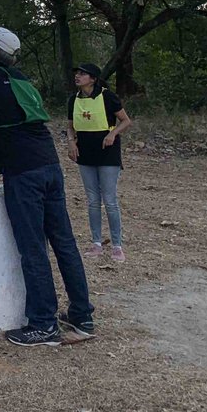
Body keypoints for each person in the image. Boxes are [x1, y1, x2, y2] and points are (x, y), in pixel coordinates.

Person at [0, 28, 95, 346]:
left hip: (23, 172)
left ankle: (43, 324)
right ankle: (82, 317)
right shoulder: (21, 81)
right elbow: (12, 122)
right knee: (64, 242)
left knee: (32, 248)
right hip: (49, 165)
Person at [66, 63, 132, 263]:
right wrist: (71, 143)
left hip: (107, 153)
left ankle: (117, 246)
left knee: (109, 200)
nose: (78, 76)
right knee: (93, 200)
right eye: (77, 73)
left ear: (93, 78)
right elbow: (70, 126)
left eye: (83, 74)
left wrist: (112, 134)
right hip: (85, 153)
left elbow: (126, 121)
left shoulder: (108, 96)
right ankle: (96, 243)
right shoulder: (73, 100)